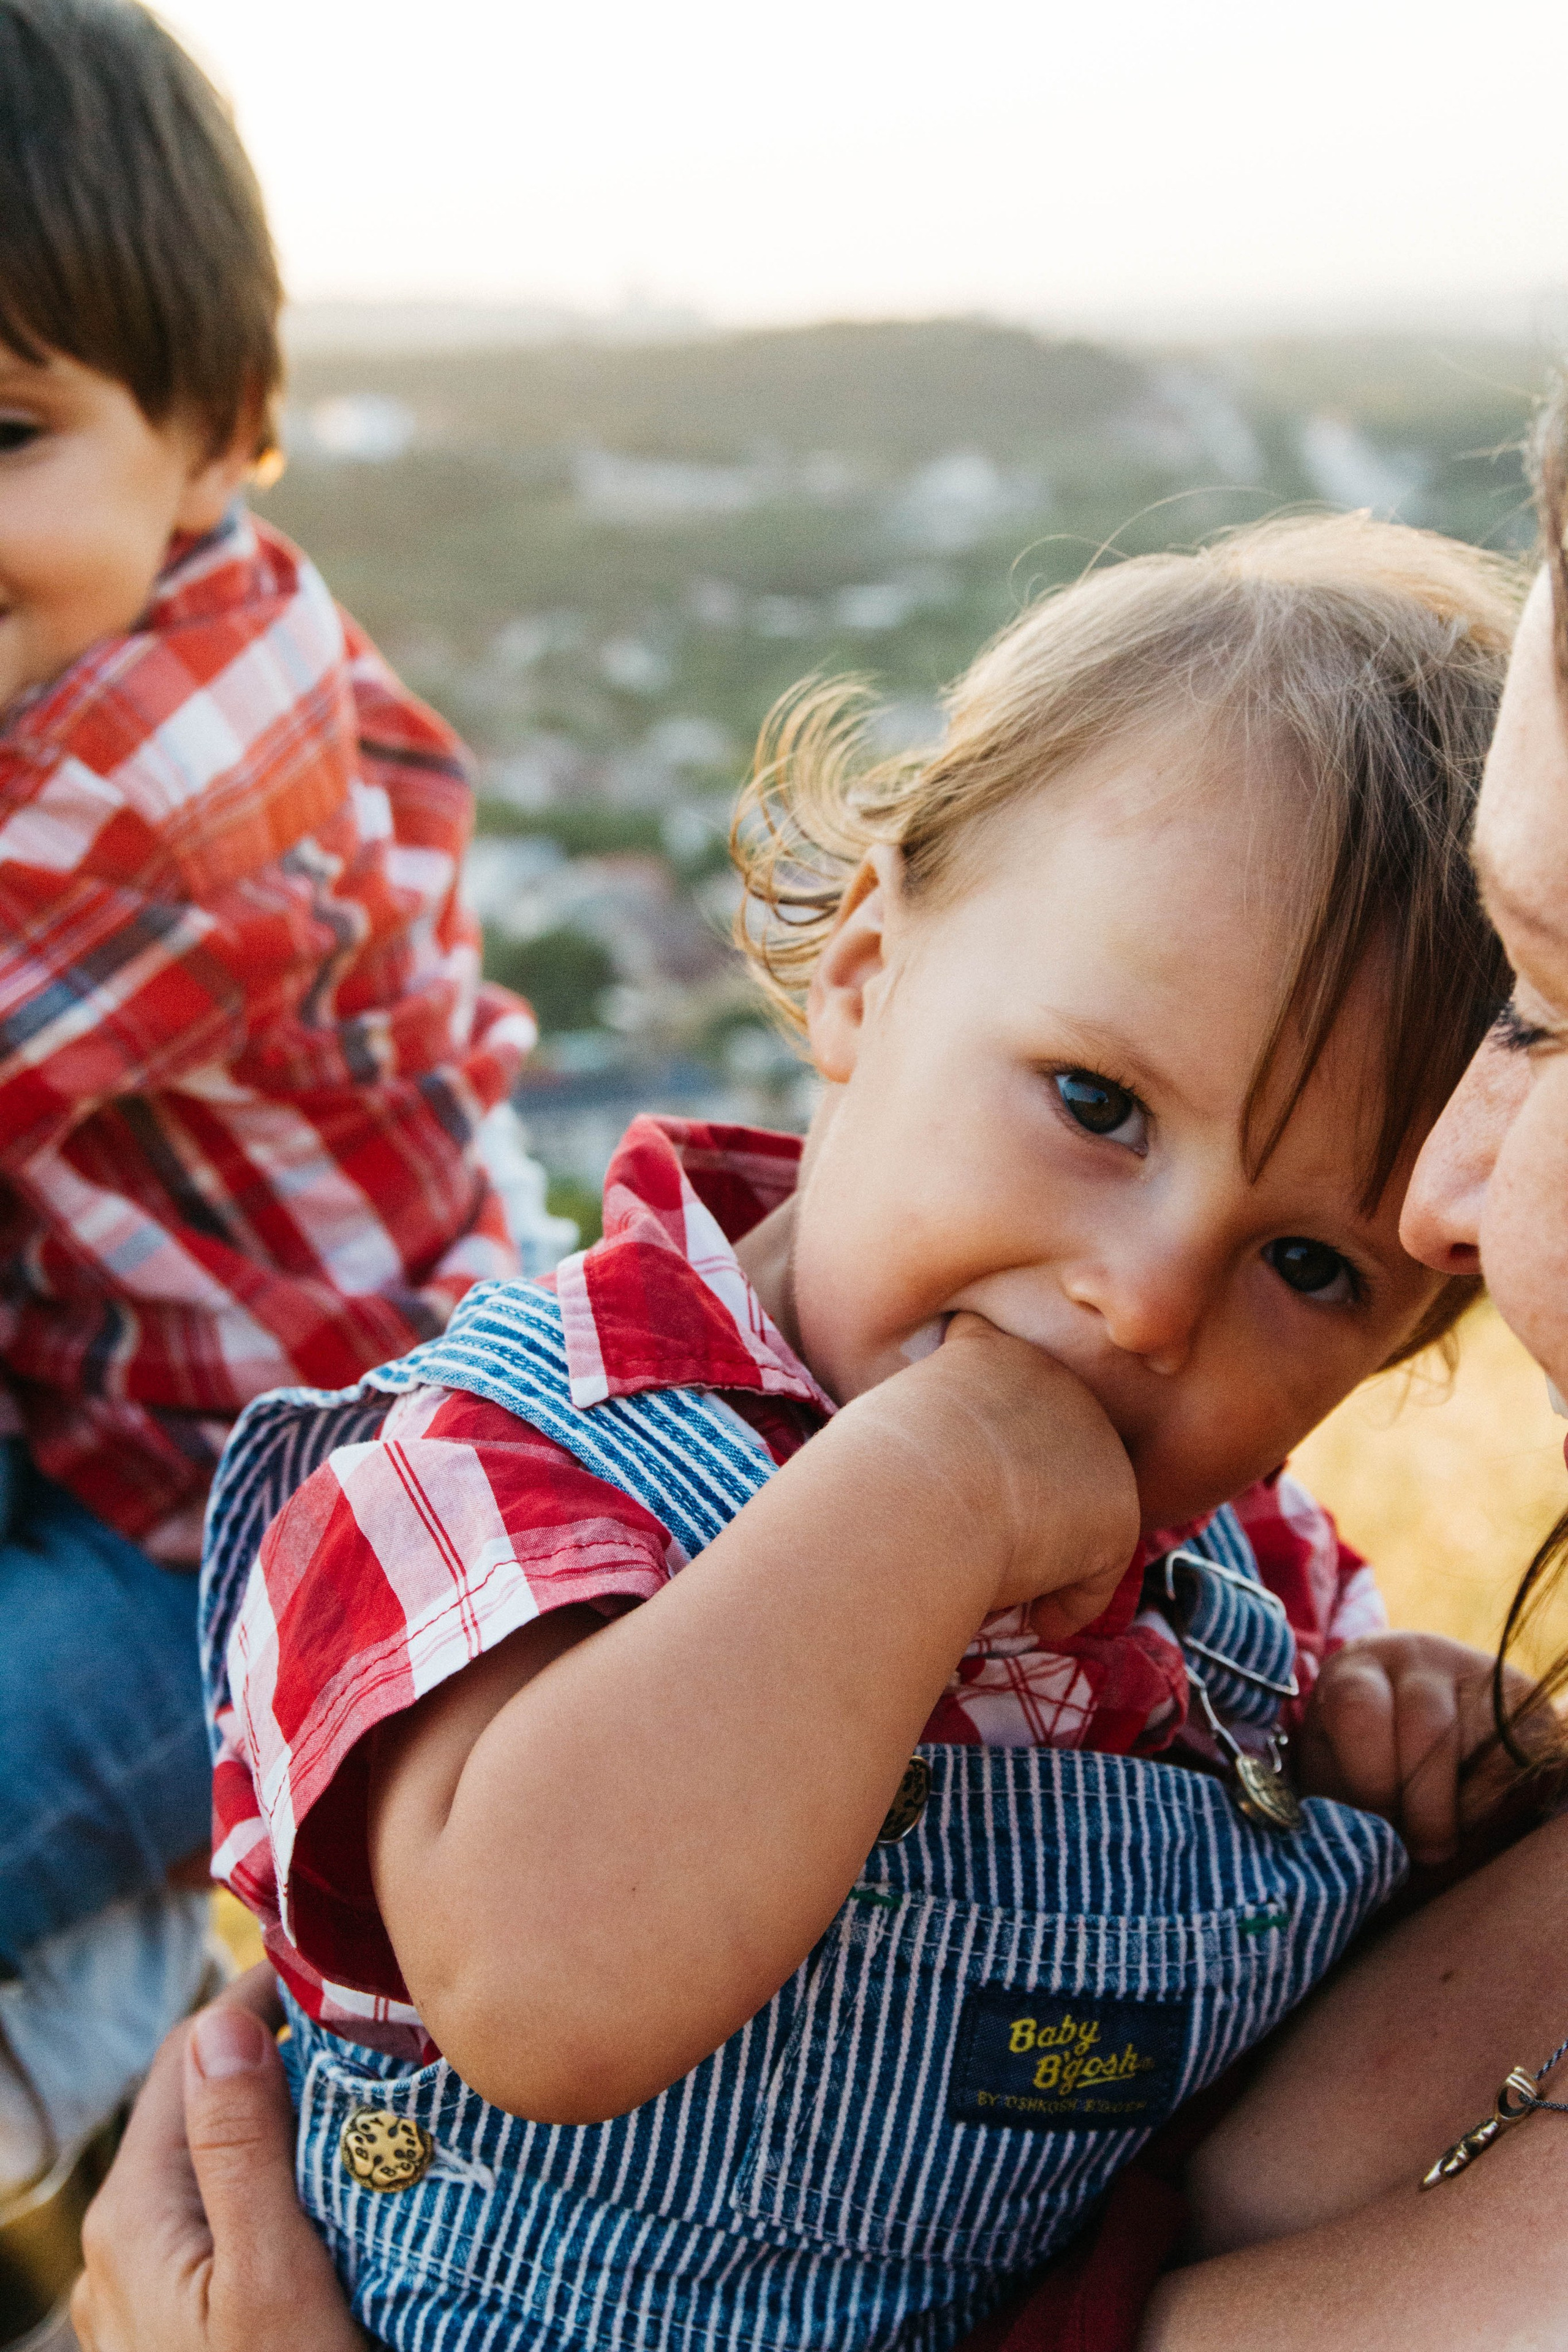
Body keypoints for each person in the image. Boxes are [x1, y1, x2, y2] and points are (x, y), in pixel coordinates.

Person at [189, 510, 1535, 2352]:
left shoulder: (1244, 1571)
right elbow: (541, 1986)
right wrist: (928, 1489)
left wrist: (1396, 1723)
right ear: (865, 970)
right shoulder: (507, 1474)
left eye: (1306, 1261)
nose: (1146, 1299)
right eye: (1097, 1103)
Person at [0, 0, 559, 2290]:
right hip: (127, 1405)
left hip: (280, 1541)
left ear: (222, 433)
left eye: (3, 426)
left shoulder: (145, 772)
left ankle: (111, 2018)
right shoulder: (132, 626)